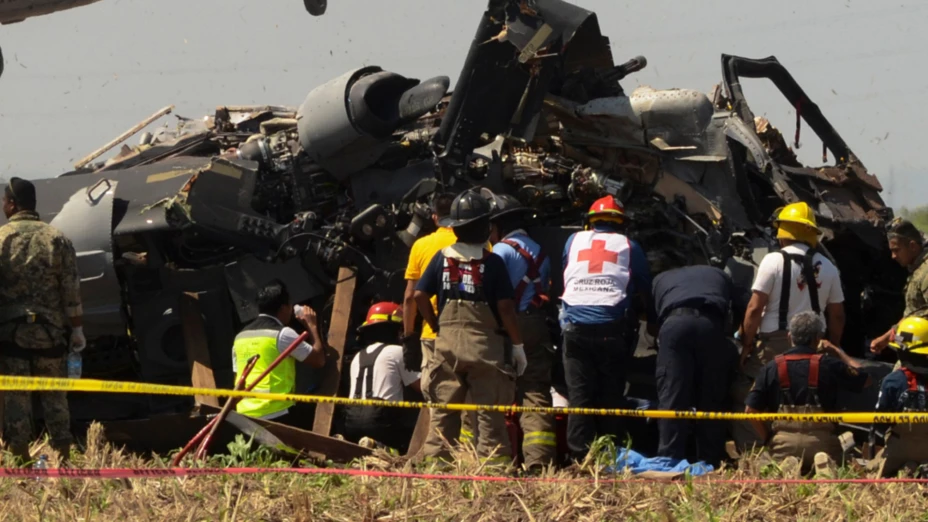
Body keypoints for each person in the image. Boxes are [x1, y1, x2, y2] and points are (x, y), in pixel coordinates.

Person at [415, 189, 526, 464]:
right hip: (485, 348)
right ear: (486, 227)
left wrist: (435, 325)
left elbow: (418, 295)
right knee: (489, 415)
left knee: (443, 413)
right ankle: (494, 473)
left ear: (455, 227)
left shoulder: (441, 258)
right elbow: (505, 308)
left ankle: (436, 471)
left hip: (447, 346)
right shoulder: (493, 262)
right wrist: (518, 345)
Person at [559, 195, 654, 461]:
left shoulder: (572, 240)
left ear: (590, 222)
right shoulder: (629, 246)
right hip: (611, 331)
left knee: (579, 396)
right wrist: (651, 318)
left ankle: (580, 458)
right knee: (611, 394)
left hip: (574, 328)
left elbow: (567, 274)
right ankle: (610, 454)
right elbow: (645, 286)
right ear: (621, 224)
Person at [0, 178, 84, 463]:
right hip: (50, 335)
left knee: (16, 399)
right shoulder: (57, 238)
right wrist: (77, 329)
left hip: (11, 337)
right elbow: (71, 290)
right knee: (55, 398)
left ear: (13, 205)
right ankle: (64, 460)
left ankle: (20, 461)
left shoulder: (1, 239)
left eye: (4, 201)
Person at [484, 188, 556, 469]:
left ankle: (497, 460)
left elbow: (491, 293)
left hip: (508, 326)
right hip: (535, 324)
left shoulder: (501, 251)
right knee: (535, 391)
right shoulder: (540, 251)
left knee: (494, 389)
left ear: (498, 226)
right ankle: (539, 461)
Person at [745, 311, 870, 473]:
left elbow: (750, 410)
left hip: (783, 445)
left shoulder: (771, 367)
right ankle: (823, 468)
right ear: (818, 339)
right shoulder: (830, 364)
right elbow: (866, 379)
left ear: (789, 337)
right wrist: (837, 350)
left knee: (764, 466)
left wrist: (768, 438)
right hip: (823, 444)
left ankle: (788, 467)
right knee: (845, 456)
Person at [652, 264, 743, 466]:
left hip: (674, 325)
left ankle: (669, 459)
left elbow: (653, 323)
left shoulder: (660, 278)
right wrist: (735, 338)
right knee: (712, 395)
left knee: (672, 394)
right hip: (711, 324)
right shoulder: (719, 274)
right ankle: (710, 460)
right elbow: (741, 306)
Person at [740, 202, 845, 370]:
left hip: (775, 344)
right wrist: (833, 346)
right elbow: (837, 315)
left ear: (782, 233)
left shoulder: (772, 261)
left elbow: (755, 308)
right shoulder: (829, 267)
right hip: (814, 344)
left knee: (752, 382)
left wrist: (746, 345)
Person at [232, 280, 325, 424]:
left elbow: (238, 377)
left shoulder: (240, 337)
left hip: (245, 415)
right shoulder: (283, 334)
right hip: (277, 413)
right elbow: (318, 360)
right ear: (283, 308)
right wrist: (312, 325)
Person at [344, 302, 421, 453]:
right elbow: (422, 387)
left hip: (351, 421)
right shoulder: (397, 352)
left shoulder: (358, 356)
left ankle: (364, 444)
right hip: (381, 422)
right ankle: (382, 447)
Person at [873, 316, 928, 477]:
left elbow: (880, 421)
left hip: (899, 449)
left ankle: (905, 470)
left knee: (873, 469)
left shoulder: (893, 380)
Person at [871, 219, 928, 354]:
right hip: (913, 349)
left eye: (896, 250)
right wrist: (886, 338)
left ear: (912, 246)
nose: (893, 256)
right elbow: (913, 312)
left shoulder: (926, 272)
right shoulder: (917, 270)